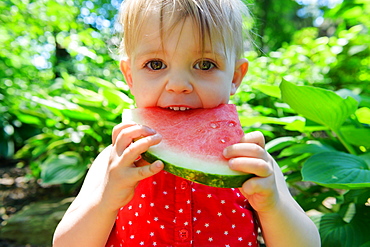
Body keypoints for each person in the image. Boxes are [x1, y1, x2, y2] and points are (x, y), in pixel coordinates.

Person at [53, 0, 321, 246]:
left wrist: (272, 206)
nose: (179, 85)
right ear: (130, 75)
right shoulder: (116, 161)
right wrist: (104, 202)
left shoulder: (249, 161)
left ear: (235, 77)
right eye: (155, 64)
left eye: (205, 64)